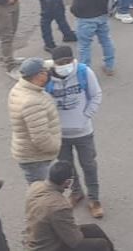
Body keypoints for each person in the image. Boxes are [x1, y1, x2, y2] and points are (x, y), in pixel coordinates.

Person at [46, 45, 104, 219]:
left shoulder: (84, 73)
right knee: (67, 167)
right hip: (60, 134)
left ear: (72, 60)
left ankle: (94, 199)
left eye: (67, 62)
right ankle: (76, 192)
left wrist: (85, 116)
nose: (64, 65)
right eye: (60, 63)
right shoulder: (47, 78)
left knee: (89, 165)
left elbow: (96, 95)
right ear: (53, 64)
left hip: (83, 132)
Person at [23, 161, 115, 250]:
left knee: (93, 229)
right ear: (67, 182)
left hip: (36, 238)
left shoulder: (35, 186)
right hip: (48, 247)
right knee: (101, 245)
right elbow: (75, 240)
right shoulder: (59, 206)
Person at [8, 57, 62, 183]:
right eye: (46, 71)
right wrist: (56, 146)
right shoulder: (32, 102)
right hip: (36, 158)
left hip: (30, 154)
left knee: (39, 191)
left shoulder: (21, 88)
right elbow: (41, 138)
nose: (49, 73)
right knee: (44, 194)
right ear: (40, 75)